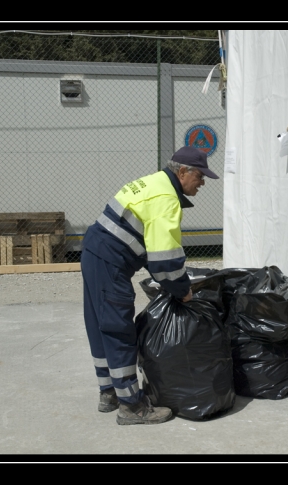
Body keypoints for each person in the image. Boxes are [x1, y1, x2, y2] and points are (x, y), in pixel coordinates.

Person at [81, 146, 219, 425]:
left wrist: (166, 280)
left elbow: (145, 242)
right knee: (118, 329)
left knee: (100, 325)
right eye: (200, 176)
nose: (203, 182)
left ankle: (109, 393)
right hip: (110, 262)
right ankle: (132, 407)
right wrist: (182, 291)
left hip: (94, 252)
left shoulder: (153, 182)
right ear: (182, 172)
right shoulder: (167, 198)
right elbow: (164, 260)